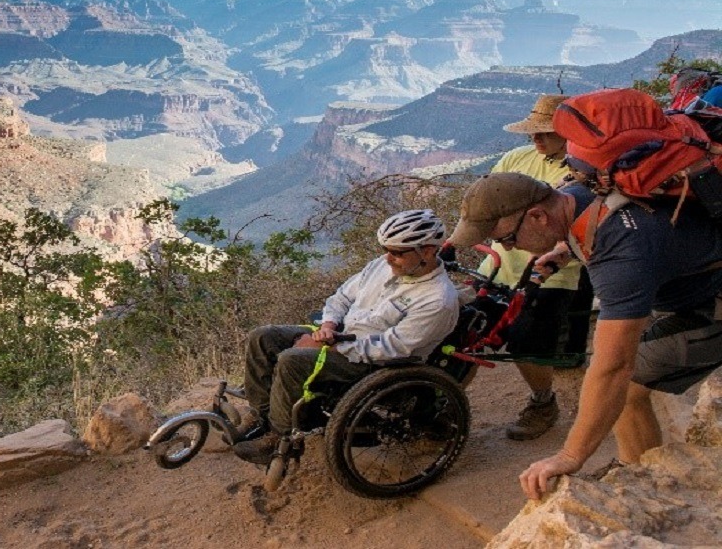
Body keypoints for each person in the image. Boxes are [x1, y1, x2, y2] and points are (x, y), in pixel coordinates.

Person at [448, 172, 722, 500]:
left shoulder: (620, 252)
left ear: (537, 216)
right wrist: (565, 249)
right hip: (696, 289)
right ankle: (638, 471)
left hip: (710, 308)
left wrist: (570, 456)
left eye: (507, 238)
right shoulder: (580, 191)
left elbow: (613, 368)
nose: (507, 247)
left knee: (625, 387)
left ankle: (643, 486)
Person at [233, 209, 460, 464]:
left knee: (292, 361)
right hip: (341, 336)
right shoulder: (381, 266)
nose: (388, 258)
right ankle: (261, 417)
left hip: (373, 363)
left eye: (397, 252)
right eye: (386, 249)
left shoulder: (437, 300)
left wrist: (331, 347)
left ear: (427, 252)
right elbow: (342, 297)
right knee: (263, 337)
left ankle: (279, 438)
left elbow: (393, 347)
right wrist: (328, 326)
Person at [481, 94, 593, 441]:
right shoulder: (517, 158)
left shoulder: (582, 169)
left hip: (553, 272)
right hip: (500, 264)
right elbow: (487, 201)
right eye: (534, 132)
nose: (536, 138)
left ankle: (543, 402)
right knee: (472, 328)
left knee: (525, 340)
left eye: (545, 132)